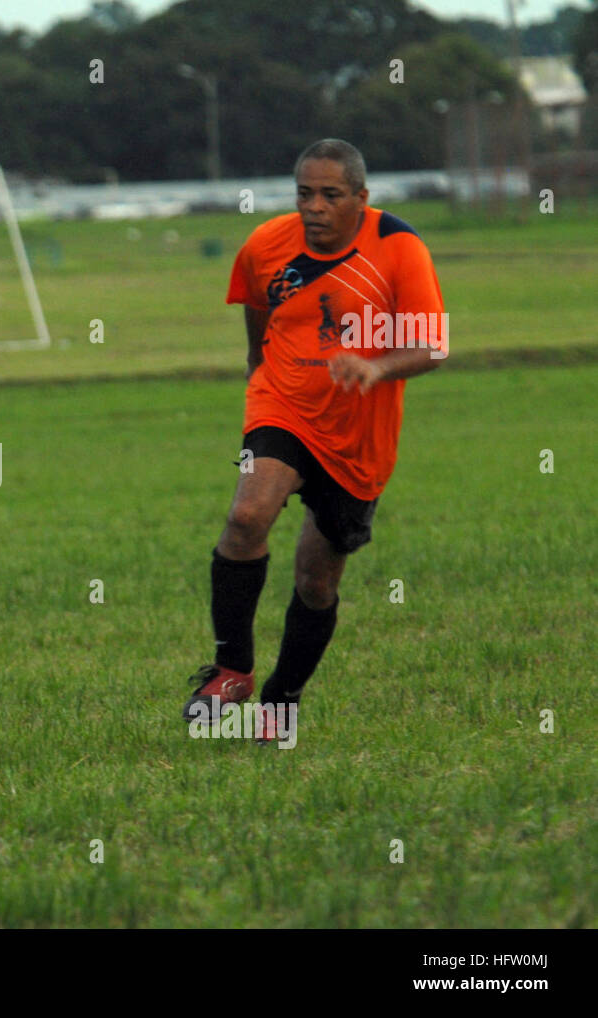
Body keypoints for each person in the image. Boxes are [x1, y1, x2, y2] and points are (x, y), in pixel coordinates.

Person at [183, 138, 447, 743]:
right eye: (305, 193)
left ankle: (282, 700)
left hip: (359, 434)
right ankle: (233, 669)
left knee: (315, 582)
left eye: (330, 195)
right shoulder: (266, 245)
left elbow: (432, 345)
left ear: (361, 198)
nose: (315, 207)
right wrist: (257, 363)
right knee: (247, 516)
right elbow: (255, 300)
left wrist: (376, 368)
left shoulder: (400, 247)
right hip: (284, 403)